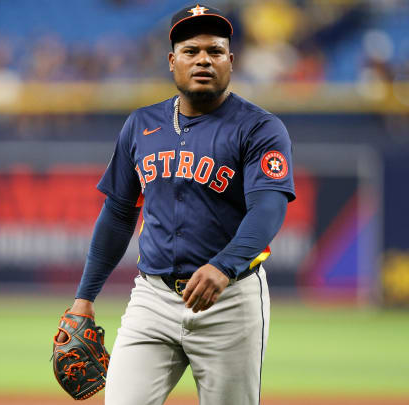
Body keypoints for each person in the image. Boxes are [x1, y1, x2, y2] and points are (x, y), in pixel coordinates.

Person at [57, 4, 295, 404]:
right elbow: (118, 214)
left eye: (215, 51)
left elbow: (269, 208)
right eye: (191, 50)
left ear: (231, 61)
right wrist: (84, 297)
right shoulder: (141, 124)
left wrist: (224, 264)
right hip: (152, 298)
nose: (203, 58)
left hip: (229, 302)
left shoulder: (259, 127)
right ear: (172, 61)